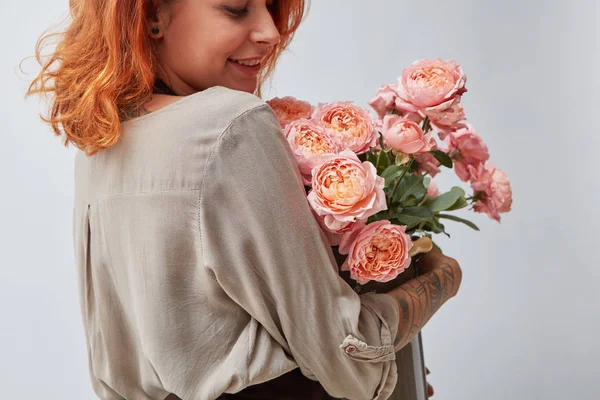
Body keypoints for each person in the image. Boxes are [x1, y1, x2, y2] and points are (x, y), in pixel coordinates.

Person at [24, 0, 462, 399]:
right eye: (236, 9)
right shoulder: (228, 125)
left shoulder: (103, 140)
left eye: (270, 7)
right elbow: (347, 354)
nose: (271, 32)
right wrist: (439, 280)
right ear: (152, 15)